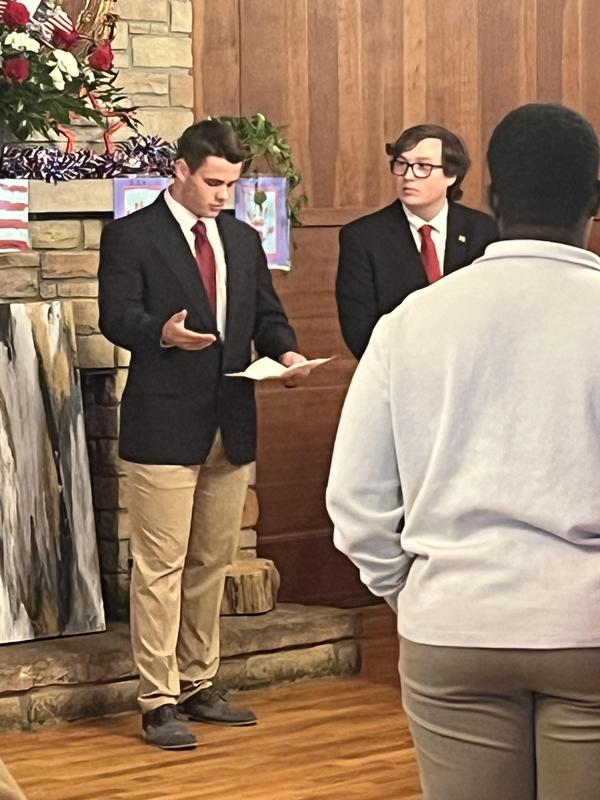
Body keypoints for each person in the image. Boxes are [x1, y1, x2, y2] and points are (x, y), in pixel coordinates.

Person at [326, 103, 600, 800]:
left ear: (493, 197)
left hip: (453, 621)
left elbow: (355, 501)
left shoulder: (412, 320)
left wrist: (410, 591)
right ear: (595, 199)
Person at [98, 119, 307, 751]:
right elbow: (116, 316)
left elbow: (267, 317)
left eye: (232, 185)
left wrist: (289, 354)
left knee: (211, 562)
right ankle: (158, 699)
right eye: (213, 183)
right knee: (160, 566)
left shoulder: (243, 240)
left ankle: (197, 682)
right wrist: (162, 332)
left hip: (231, 419)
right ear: (182, 170)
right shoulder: (130, 235)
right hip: (163, 420)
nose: (223, 196)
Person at [336, 124, 498, 358]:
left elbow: (494, 313)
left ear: (451, 175)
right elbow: (359, 330)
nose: (408, 175)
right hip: (400, 374)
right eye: (402, 164)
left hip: (473, 372)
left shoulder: (485, 232)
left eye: (423, 166)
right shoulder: (363, 238)